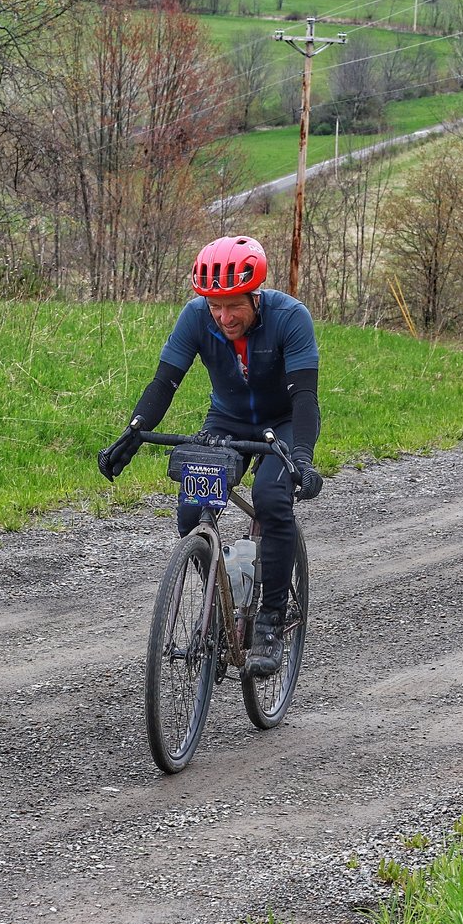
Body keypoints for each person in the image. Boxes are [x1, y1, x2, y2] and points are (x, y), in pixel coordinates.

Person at [98, 236, 323, 674]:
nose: (223, 317)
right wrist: (133, 431)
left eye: (233, 306)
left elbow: (305, 396)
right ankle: (221, 604)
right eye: (215, 306)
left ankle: (270, 625)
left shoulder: (291, 317)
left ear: (255, 295)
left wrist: (302, 458)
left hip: (285, 421)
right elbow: (165, 381)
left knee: (272, 499)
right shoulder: (195, 316)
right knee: (192, 509)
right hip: (227, 420)